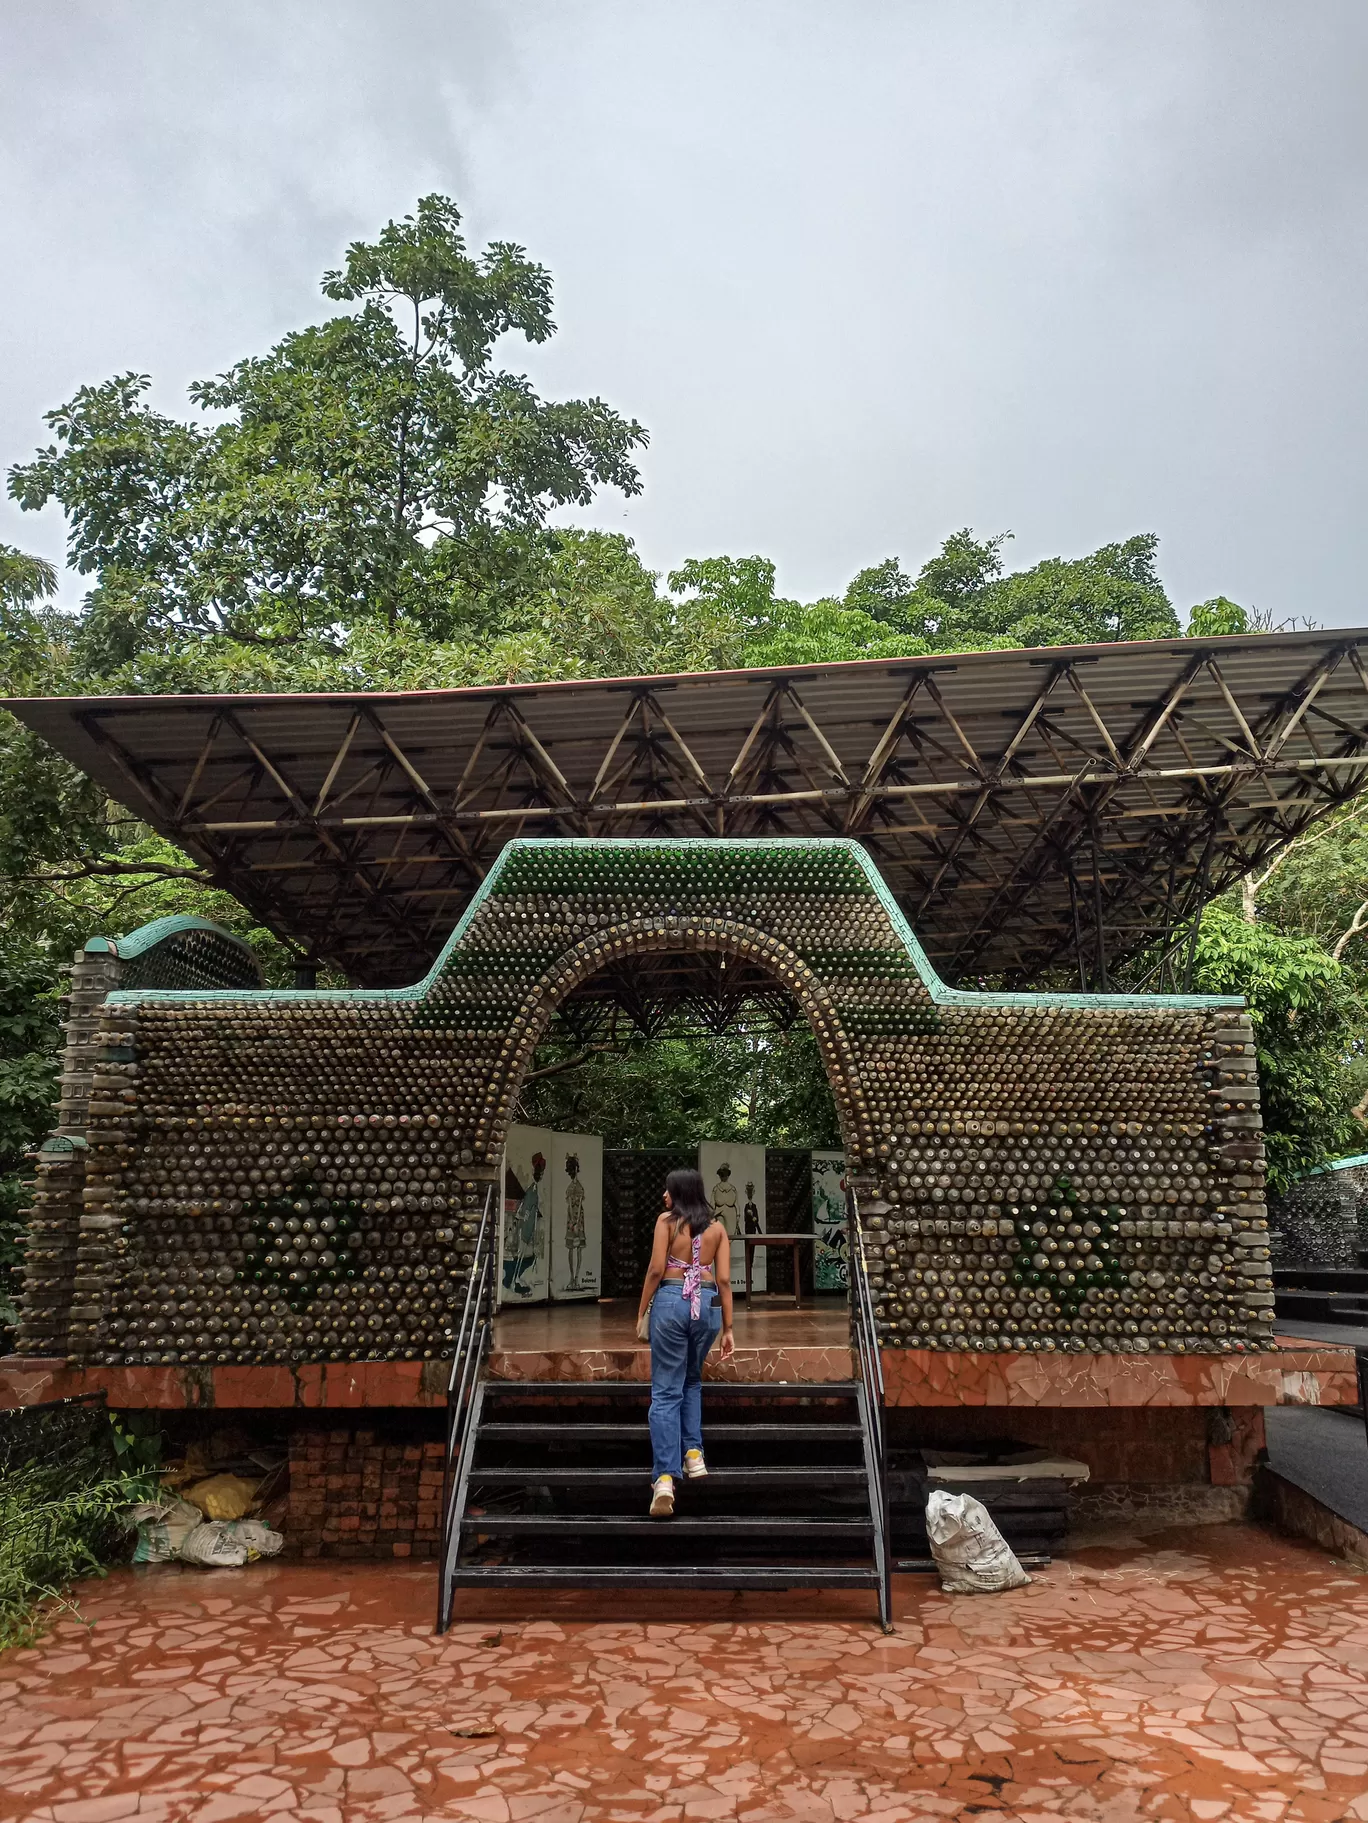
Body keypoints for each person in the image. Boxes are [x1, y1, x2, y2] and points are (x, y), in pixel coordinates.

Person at [636, 1167, 734, 1518]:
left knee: (665, 1392)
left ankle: (664, 1477)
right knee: (692, 1379)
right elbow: (723, 1280)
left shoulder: (667, 1222)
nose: (664, 1196)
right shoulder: (718, 1229)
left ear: (679, 1193)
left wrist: (642, 1308)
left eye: (668, 1190)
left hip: (671, 1301)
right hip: (706, 1306)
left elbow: (654, 1270)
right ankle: (693, 1454)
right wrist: (728, 1327)